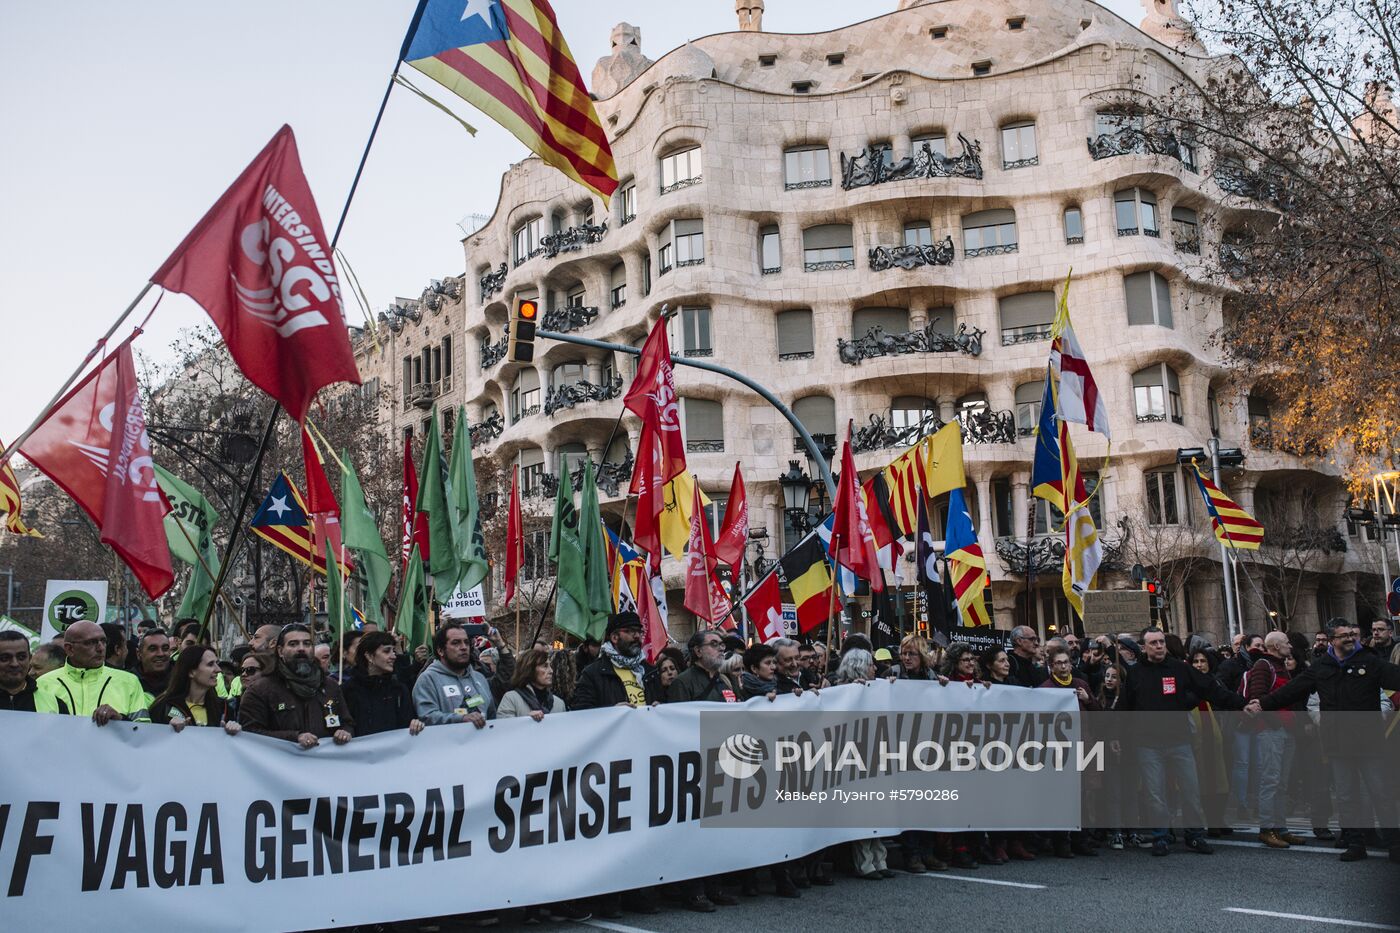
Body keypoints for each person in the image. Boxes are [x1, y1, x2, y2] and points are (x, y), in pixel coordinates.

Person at [1250, 619, 1400, 863]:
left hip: (1369, 742)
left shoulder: (1369, 662)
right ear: (1332, 640)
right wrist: (1263, 703)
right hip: (1338, 743)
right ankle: (1355, 844)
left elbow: (1395, 677)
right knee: (1346, 796)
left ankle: (1395, 844)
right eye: (1343, 636)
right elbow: (1293, 689)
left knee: (1380, 794)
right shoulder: (1322, 667)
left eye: (1351, 635)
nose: (1350, 639)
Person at [1118, 627, 1247, 856]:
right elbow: (1125, 709)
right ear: (1144, 647)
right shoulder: (1136, 673)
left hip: (1179, 741)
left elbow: (1209, 688)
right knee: (1155, 794)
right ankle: (1160, 837)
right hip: (1148, 745)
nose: (1159, 646)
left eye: (1161, 642)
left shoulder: (1180, 669)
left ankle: (1194, 836)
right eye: (1153, 643)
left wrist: (1241, 703)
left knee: (1190, 791)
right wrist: (1117, 737)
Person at [238, 624, 354, 747]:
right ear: (280, 651)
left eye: (307, 644)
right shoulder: (261, 690)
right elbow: (251, 734)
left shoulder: (330, 686)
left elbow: (347, 722)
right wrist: (295, 737)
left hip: (325, 763)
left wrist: (345, 732)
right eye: (293, 644)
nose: (301, 649)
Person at [1244, 631, 1305, 849]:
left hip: (1284, 729)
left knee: (1281, 781)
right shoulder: (1264, 666)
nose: (1290, 646)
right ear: (1277, 646)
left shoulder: (1280, 667)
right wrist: (1276, 722)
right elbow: (1257, 698)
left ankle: (1280, 828)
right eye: (1287, 643)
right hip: (1271, 730)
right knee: (1270, 779)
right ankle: (1266, 828)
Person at [34, 621, 147, 724]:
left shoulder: (129, 682)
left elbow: (145, 734)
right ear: (69, 649)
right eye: (90, 642)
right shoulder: (43, 684)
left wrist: (120, 720)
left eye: (103, 641)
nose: (100, 648)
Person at [413, 622, 499, 727]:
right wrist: (461, 719)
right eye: (456, 643)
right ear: (440, 650)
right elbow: (427, 717)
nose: (464, 647)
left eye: (466, 642)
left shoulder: (479, 679)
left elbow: (491, 717)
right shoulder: (428, 679)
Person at [340, 631, 424, 736]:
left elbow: (407, 722)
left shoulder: (398, 689)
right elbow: (345, 725)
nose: (393, 656)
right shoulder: (348, 690)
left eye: (393, 651)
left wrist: (415, 724)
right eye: (386, 651)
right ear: (369, 656)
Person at [572, 612, 660, 709]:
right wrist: (612, 712)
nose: (637, 636)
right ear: (614, 637)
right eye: (631, 631)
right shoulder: (592, 674)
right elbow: (582, 713)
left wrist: (662, 707)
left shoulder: (651, 671)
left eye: (640, 632)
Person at [148, 645, 241, 735]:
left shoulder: (224, 708)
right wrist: (168, 731)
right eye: (210, 664)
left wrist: (234, 732)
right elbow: (151, 743)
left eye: (216, 663)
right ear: (191, 672)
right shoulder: (162, 708)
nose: (218, 669)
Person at [498, 647, 566, 719]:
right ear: (529, 669)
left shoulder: (559, 704)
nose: (551, 671)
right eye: (545, 666)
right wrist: (527, 720)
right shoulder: (511, 699)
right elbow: (504, 727)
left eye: (550, 666)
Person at [133, 628, 173, 702]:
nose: (160, 654)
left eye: (165, 648)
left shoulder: (182, 678)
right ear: (139, 654)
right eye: (153, 649)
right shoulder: (129, 681)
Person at [0, 630, 37, 712]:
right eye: (5, 658)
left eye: (21, 657)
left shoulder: (54, 703)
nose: (15, 664)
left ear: (30, 658)